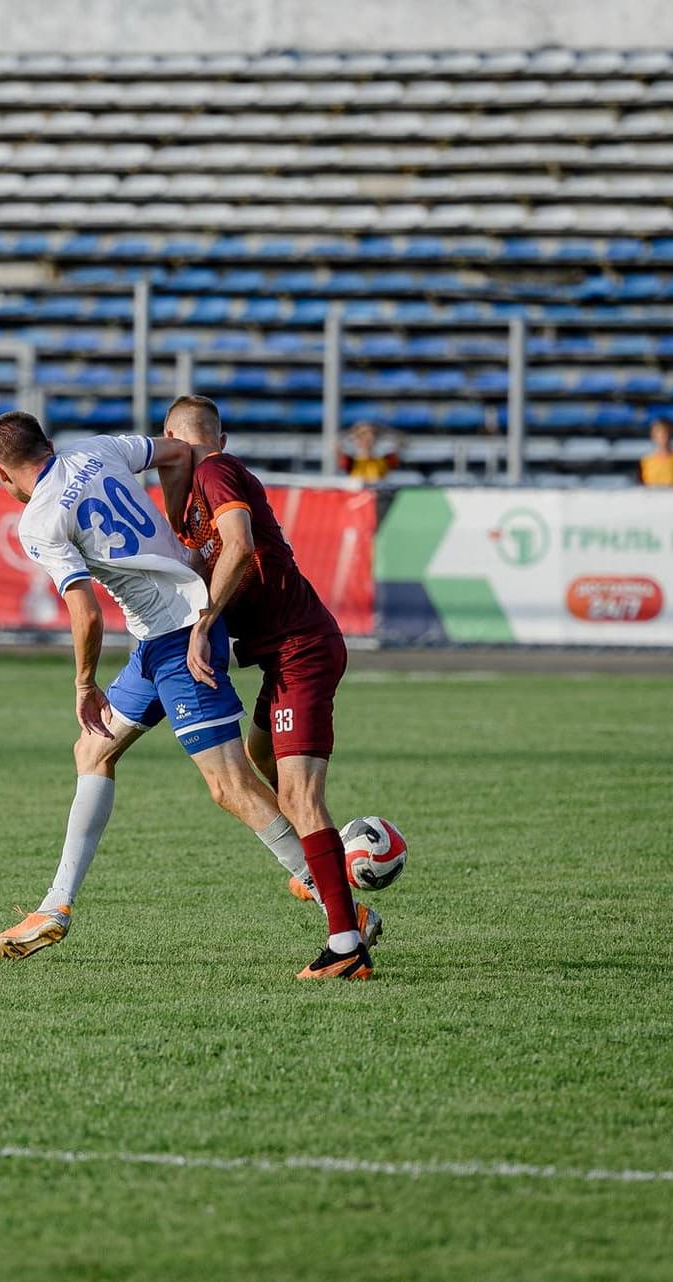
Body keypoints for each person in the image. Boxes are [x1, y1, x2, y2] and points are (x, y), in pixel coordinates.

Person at [0, 411, 378, 979]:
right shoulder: (97, 448)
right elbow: (174, 453)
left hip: (180, 634)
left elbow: (85, 613)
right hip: (155, 637)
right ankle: (55, 907)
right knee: (92, 751)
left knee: (230, 784)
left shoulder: (39, 520)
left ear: (1, 472)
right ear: (48, 443)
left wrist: (84, 683)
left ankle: (340, 910)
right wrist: (174, 539)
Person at [163, 395, 378, 981]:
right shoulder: (188, 502)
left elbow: (239, 544)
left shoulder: (214, 470)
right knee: (263, 761)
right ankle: (329, 867)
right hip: (281, 658)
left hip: (301, 650)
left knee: (303, 798)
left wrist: (205, 624)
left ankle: (345, 941)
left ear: (173, 442)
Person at [639, 419, 673, 486]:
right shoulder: (645, 461)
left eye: (666, 433)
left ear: (671, 434)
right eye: (660, 433)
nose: (664, 437)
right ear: (653, 436)